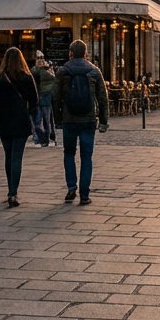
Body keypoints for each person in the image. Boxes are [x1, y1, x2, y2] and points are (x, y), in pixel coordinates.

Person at [54, 40, 109, 205]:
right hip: (88, 119)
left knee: (69, 153)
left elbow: (55, 97)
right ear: (86, 53)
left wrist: (58, 119)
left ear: (70, 53)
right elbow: (102, 98)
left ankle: (71, 186)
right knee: (86, 157)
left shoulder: (63, 71)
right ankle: (84, 194)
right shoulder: (94, 71)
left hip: (69, 120)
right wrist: (104, 121)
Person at [0, 48, 39, 208]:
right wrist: (29, 114)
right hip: (20, 121)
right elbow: (35, 101)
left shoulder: (0, 78)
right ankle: (13, 193)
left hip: (4, 122)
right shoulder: (26, 77)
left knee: (8, 156)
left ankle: (10, 190)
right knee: (17, 158)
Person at [32, 58, 58, 146]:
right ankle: (47, 139)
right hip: (44, 98)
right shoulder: (48, 71)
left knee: (40, 122)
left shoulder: (41, 72)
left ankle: (44, 139)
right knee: (47, 121)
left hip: (42, 97)